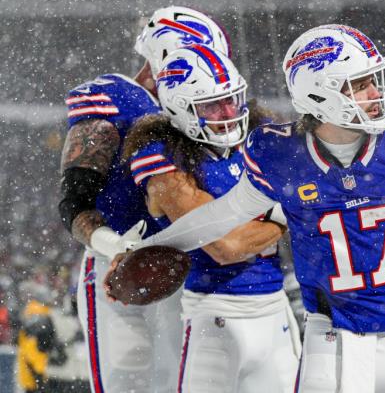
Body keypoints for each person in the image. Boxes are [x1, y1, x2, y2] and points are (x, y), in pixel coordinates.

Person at [134, 24, 385, 392]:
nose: (375, 92)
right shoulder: (283, 156)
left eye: (373, 80)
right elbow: (221, 217)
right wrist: (143, 250)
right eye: (361, 84)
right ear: (322, 95)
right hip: (334, 339)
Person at [58, 6, 231, 392]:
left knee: (179, 384)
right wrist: (114, 244)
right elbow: (74, 201)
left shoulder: (203, 109)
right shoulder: (114, 99)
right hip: (119, 267)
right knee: (127, 383)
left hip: (183, 269)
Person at [115, 44, 300, 393]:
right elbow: (227, 246)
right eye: (213, 104)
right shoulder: (162, 157)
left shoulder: (258, 140)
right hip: (214, 316)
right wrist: (285, 212)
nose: (230, 111)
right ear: (178, 108)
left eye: (232, 98)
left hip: (276, 312)